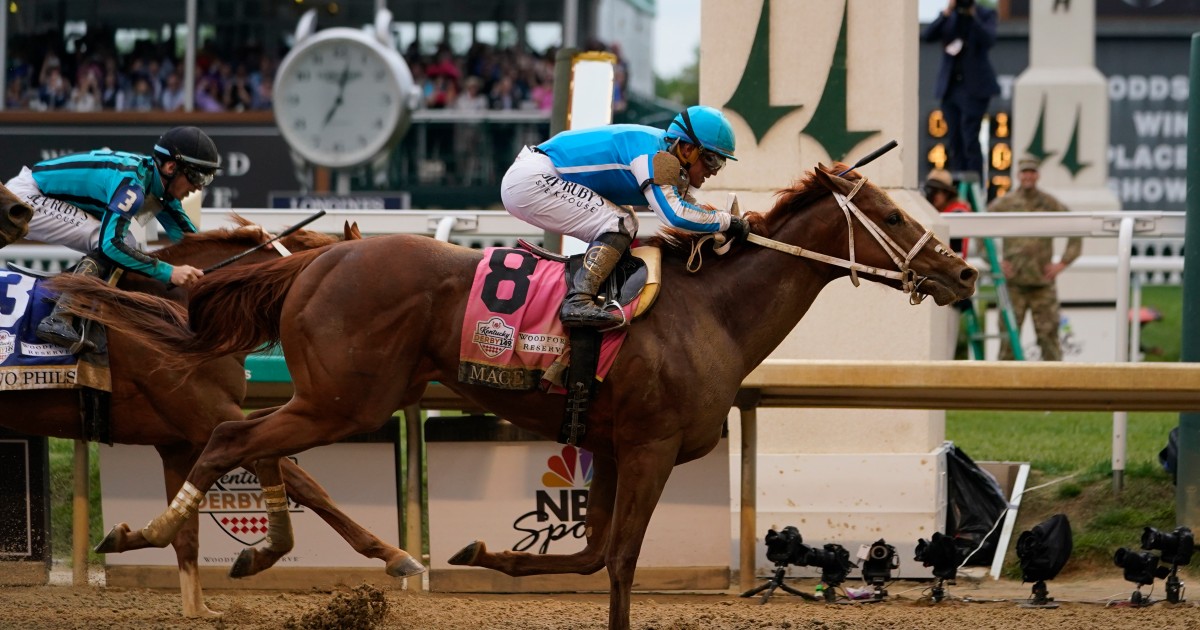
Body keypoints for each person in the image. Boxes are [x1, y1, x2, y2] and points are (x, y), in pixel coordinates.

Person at [500, 105, 749, 328]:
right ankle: (578, 300)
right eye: (711, 160)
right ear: (687, 149)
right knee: (621, 222)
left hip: (535, 175)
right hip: (533, 179)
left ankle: (592, 292)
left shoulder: (662, 152)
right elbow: (675, 215)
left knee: (625, 219)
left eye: (720, 163)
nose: (713, 172)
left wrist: (721, 219)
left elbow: (688, 207)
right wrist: (726, 221)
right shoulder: (654, 157)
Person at [4, 126, 219, 352]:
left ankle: (75, 307)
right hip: (27, 197)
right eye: (196, 176)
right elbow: (110, 246)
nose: (198, 187)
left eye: (206, 179)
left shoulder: (158, 189)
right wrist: (169, 272)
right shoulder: (133, 185)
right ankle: (60, 316)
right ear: (171, 167)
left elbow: (194, 243)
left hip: (40, 192)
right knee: (117, 242)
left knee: (129, 242)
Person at [988, 157, 1081, 361]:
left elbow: (1076, 227)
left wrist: (1063, 263)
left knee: (1049, 341)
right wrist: (994, 261)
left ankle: (1054, 388)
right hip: (1013, 286)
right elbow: (979, 229)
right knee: (1008, 343)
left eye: (1031, 172)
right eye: (1024, 172)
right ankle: (1003, 389)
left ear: (1037, 175)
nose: (1028, 176)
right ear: (1018, 175)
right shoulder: (1006, 203)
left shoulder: (1049, 203)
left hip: (1042, 285)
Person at [921, 0, 1000, 182]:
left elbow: (988, 39)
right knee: (955, 139)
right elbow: (927, 35)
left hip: (975, 88)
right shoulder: (950, 14)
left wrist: (972, 16)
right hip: (951, 88)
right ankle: (957, 182)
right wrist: (946, 13)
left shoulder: (984, 14)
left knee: (970, 137)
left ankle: (975, 182)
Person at [922, 168, 971, 258]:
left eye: (936, 191)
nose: (932, 195)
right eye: (930, 190)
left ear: (947, 193)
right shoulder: (934, 210)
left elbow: (956, 252)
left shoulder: (957, 211)